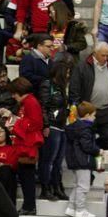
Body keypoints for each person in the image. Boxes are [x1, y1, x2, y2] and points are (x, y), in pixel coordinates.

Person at [69, 43, 108, 150]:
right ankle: (92, 157)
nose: (105, 58)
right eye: (103, 55)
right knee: (86, 137)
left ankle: (96, 150)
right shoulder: (82, 66)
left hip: (106, 110)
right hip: (88, 110)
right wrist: (77, 107)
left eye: (107, 55)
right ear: (95, 53)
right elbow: (74, 88)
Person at [8, 77, 43, 215]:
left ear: (19, 91)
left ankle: (29, 206)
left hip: (28, 144)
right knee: (24, 176)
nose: (13, 96)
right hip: (24, 142)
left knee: (27, 176)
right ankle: (28, 205)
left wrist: (16, 124)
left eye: (14, 93)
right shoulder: (27, 102)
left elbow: (36, 123)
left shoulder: (30, 102)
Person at [38, 60, 71, 201]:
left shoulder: (62, 87)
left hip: (62, 126)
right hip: (51, 126)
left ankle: (56, 186)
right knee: (48, 160)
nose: (69, 75)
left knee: (58, 161)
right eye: (68, 72)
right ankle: (45, 188)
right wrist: (45, 125)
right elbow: (43, 107)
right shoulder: (47, 85)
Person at [64, 101, 101, 217]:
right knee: (84, 186)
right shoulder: (86, 128)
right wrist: (98, 151)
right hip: (83, 161)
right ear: (87, 115)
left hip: (75, 160)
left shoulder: (76, 126)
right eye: (94, 115)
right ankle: (80, 210)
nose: (95, 118)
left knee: (78, 185)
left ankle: (71, 208)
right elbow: (87, 146)